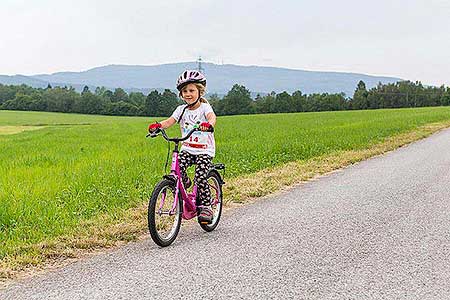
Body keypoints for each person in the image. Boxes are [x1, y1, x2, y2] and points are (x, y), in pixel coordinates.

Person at [148, 70, 217, 224]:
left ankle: (206, 206)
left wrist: (209, 125)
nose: (188, 94)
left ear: (200, 91)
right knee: (178, 166)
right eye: (184, 91)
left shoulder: (204, 108)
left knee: (200, 176)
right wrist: (158, 126)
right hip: (187, 147)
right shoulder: (181, 110)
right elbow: (170, 121)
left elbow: (212, 117)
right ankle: (184, 182)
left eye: (191, 90)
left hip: (204, 149)